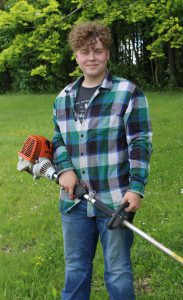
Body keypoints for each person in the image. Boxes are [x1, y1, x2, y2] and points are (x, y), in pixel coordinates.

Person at [52, 21, 152, 300]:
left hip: (115, 202)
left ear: (107, 53)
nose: (91, 57)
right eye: (84, 52)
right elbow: (58, 140)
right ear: (76, 56)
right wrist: (65, 170)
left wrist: (136, 188)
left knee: (118, 273)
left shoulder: (128, 93)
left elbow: (141, 143)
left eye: (97, 50)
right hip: (73, 203)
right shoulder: (63, 98)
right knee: (75, 270)